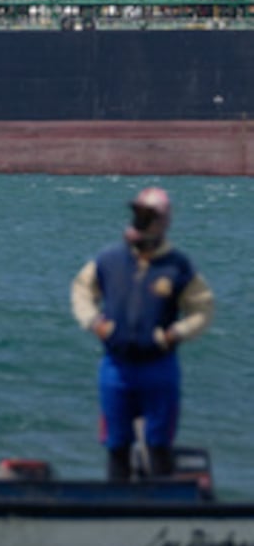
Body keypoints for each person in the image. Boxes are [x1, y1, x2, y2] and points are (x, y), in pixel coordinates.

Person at [71, 187, 213, 481]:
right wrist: (94, 322)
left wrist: (175, 333)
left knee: (159, 443)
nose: (141, 221)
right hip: (116, 367)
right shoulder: (109, 260)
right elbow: (81, 290)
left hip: (158, 367)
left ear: (164, 221)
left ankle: (162, 509)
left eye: (148, 216)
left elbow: (203, 308)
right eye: (138, 214)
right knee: (116, 444)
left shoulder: (178, 267)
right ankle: (116, 508)